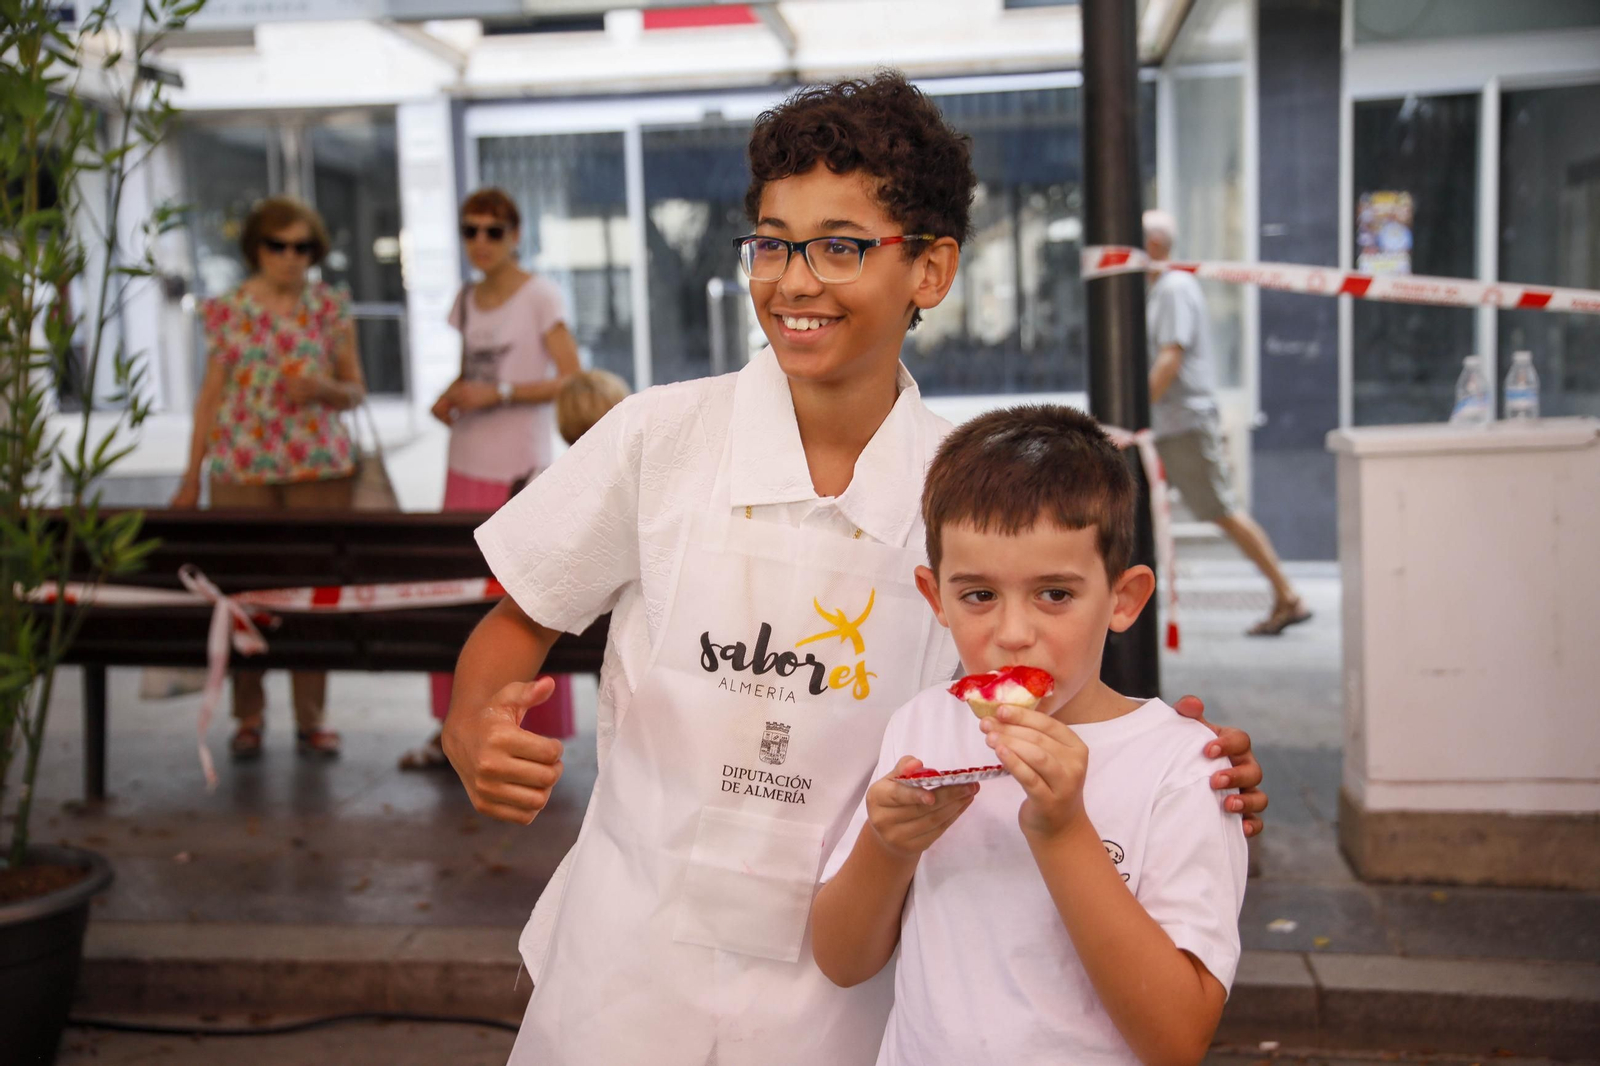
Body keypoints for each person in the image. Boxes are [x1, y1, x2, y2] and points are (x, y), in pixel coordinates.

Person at [442, 73, 1267, 1065]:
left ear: (931, 269)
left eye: (840, 246)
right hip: (626, 963)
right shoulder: (659, 436)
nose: (794, 281)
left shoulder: (967, 491)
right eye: (772, 243)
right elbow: (520, 618)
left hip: (842, 992)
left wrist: (1174, 766)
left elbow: (1045, 690)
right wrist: (472, 726)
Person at [812, 405, 1248, 1065]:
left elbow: (1177, 1039)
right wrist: (887, 846)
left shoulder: (1184, 767)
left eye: (1055, 595)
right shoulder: (924, 727)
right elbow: (842, 961)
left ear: (1124, 599)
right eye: (979, 596)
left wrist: (1064, 831)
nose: (1013, 634)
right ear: (935, 598)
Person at [170, 196, 365, 760]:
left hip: (318, 468)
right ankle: (248, 715)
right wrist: (190, 475)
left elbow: (356, 389)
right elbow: (209, 398)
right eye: (277, 245)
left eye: (302, 246)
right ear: (256, 248)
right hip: (241, 467)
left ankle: (312, 717)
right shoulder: (227, 310)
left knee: (311, 592)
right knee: (243, 589)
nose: (289, 256)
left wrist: (325, 389)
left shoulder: (329, 307)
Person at [399, 189, 582, 771]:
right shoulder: (467, 299)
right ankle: (455, 728)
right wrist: (452, 397)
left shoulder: (540, 295)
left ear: (515, 235)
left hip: (518, 472)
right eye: (470, 230)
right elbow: (470, 374)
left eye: (493, 231)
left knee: (520, 603)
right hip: (465, 465)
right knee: (457, 599)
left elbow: (573, 378)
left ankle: (527, 729)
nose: (481, 241)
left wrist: (500, 393)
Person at [1143, 209, 1310, 636]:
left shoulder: (1173, 288)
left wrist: (1134, 411)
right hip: (1169, 423)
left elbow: (1170, 358)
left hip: (1181, 423)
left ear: (1154, 246)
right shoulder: (1162, 289)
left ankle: (1288, 595)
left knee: (1222, 511)